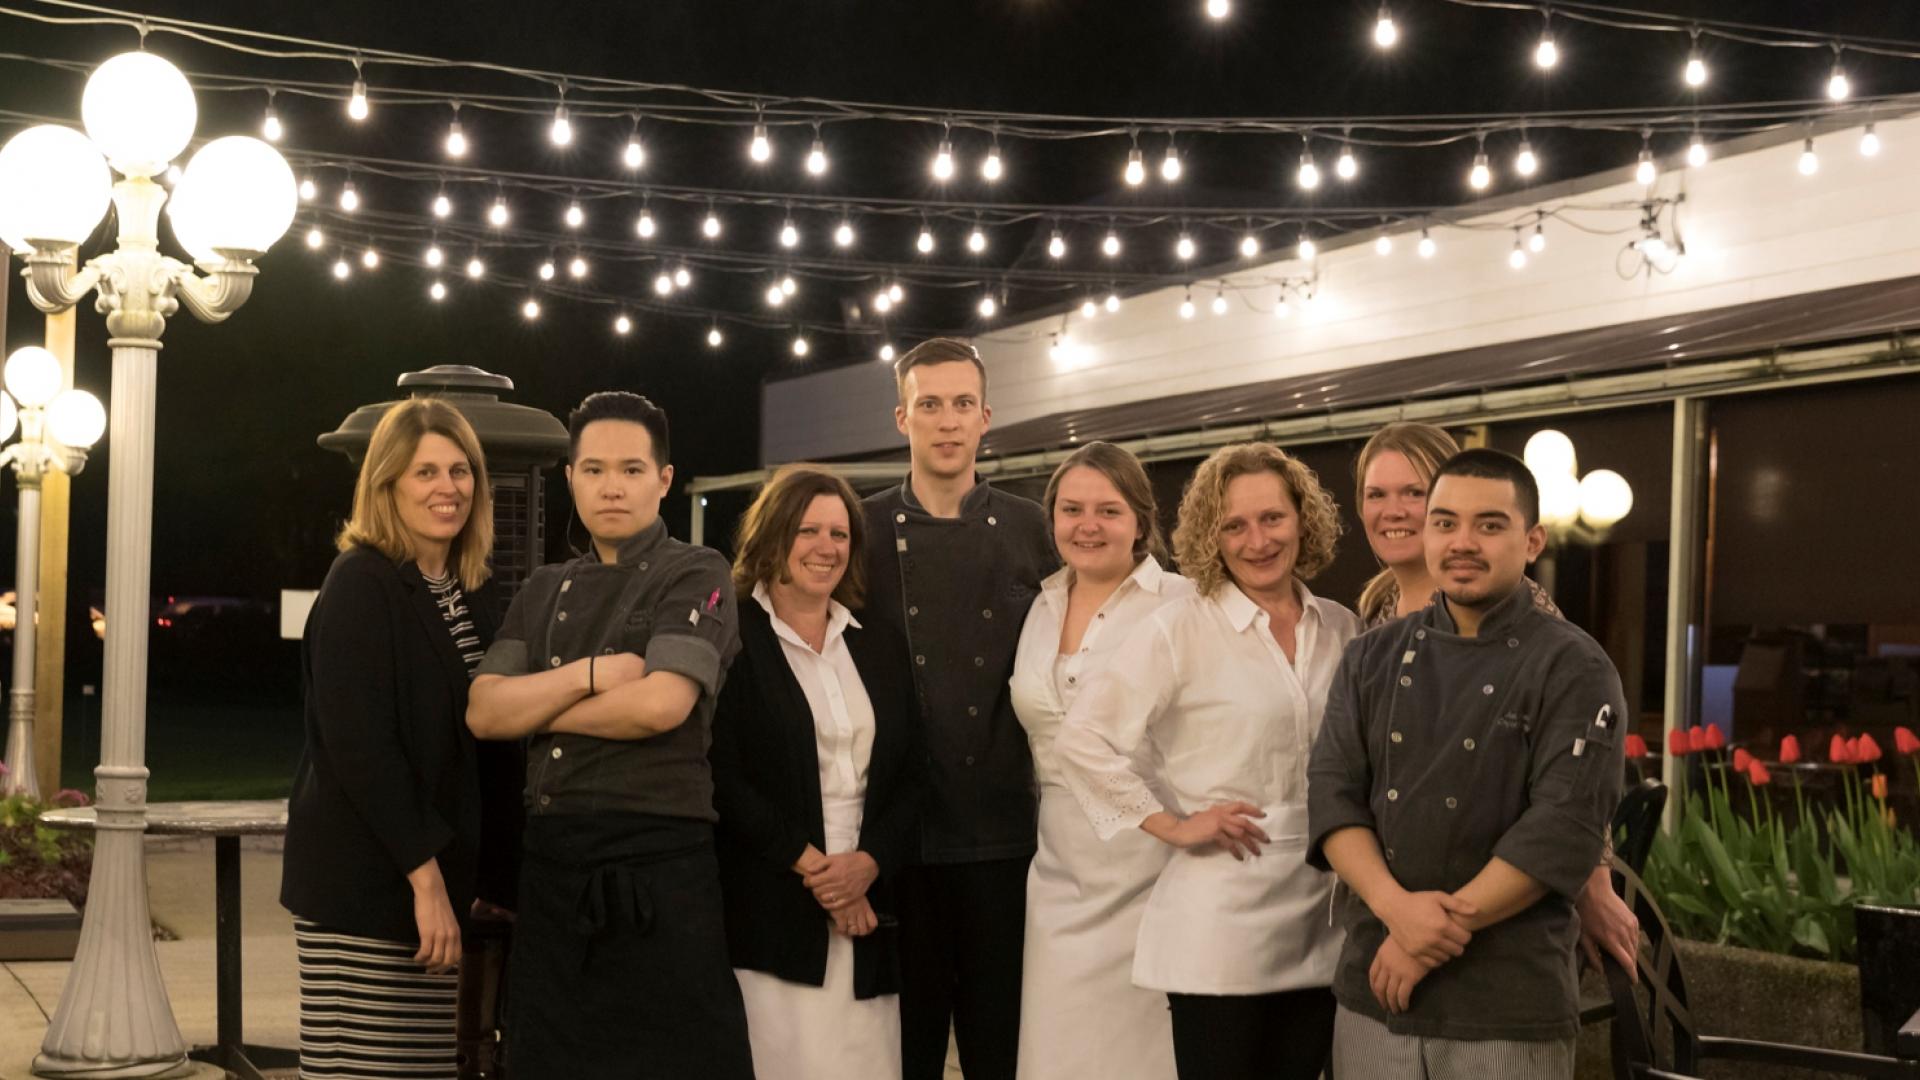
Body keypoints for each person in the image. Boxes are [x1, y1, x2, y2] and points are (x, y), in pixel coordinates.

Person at [1308, 448, 1629, 1078]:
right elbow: (1333, 794)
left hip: (1507, 999)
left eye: (1490, 524)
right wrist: (1398, 916)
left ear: (1532, 539)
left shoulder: (1575, 666)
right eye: (1445, 522)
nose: (1463, 542)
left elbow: (1561, 827)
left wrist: (1425, 942)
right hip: (1376, 987)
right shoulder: (1370, 657)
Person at [465, 391, 752, 1078]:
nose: (610, 486)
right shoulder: (541, 588)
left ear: (663, 479)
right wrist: (596, 674)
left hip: (660, 867)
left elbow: (659, 706)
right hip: (554, 869)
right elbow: (482, 713)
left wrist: (534, 709)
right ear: (570, 480)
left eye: (629, 469)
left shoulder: (696, 570)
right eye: (593, 470)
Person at [1054, 441, 1359, 1080]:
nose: (1257, 540)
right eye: (1234, 525)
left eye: (1272, 518)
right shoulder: (1178, 628)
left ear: (1304, 518)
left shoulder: (1342, 628)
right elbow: (1083, 739)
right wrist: (1173, 823)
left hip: (1325, 919)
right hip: (1218, 927)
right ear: (1209, 536)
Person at [1353, 421, 1638, 977]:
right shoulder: (1373, 613)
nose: (1394, 510)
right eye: (1375, 494)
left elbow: (1570, 763)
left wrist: (1594, 882)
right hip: (1388, 905)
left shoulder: (1513, 607)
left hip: (1497, 923)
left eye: (1413, 492)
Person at [282, 399, 502, 1079]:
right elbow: (360, 749)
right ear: (387, 485)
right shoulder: (362, 582)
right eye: (425, 472)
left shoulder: (458, 590)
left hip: (424, 887)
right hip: (368, 888)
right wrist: (426, 879)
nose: (448, 488)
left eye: (461, 470)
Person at [861, 337, 1056, 1080]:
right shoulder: (857, 528)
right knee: (900, 1054)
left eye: (962, 405)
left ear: (986, 419)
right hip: (895, 837)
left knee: (998, 1051)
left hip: (1006, 835)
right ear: (902, 416)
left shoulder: (1036, 528)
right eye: (930, 405)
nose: (947, 421)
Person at [711, 464, 923, 1080]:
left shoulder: (876, 642)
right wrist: (820, 873)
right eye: (808, 531)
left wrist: (866, 866)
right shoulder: (732, 636)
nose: (825, 548)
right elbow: (721, 776)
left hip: (868, 911)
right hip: (771, 910)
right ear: (772, 535)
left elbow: (912, 774)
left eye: (839, 534)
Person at [1010, 441, 1192, 1080]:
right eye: (1071, 509)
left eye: (1108, 510)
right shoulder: (1039, 606)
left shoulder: (1184, 603)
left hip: (1155, 861)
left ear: (1141, 521)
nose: (1088, 525)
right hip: (1057, 870)